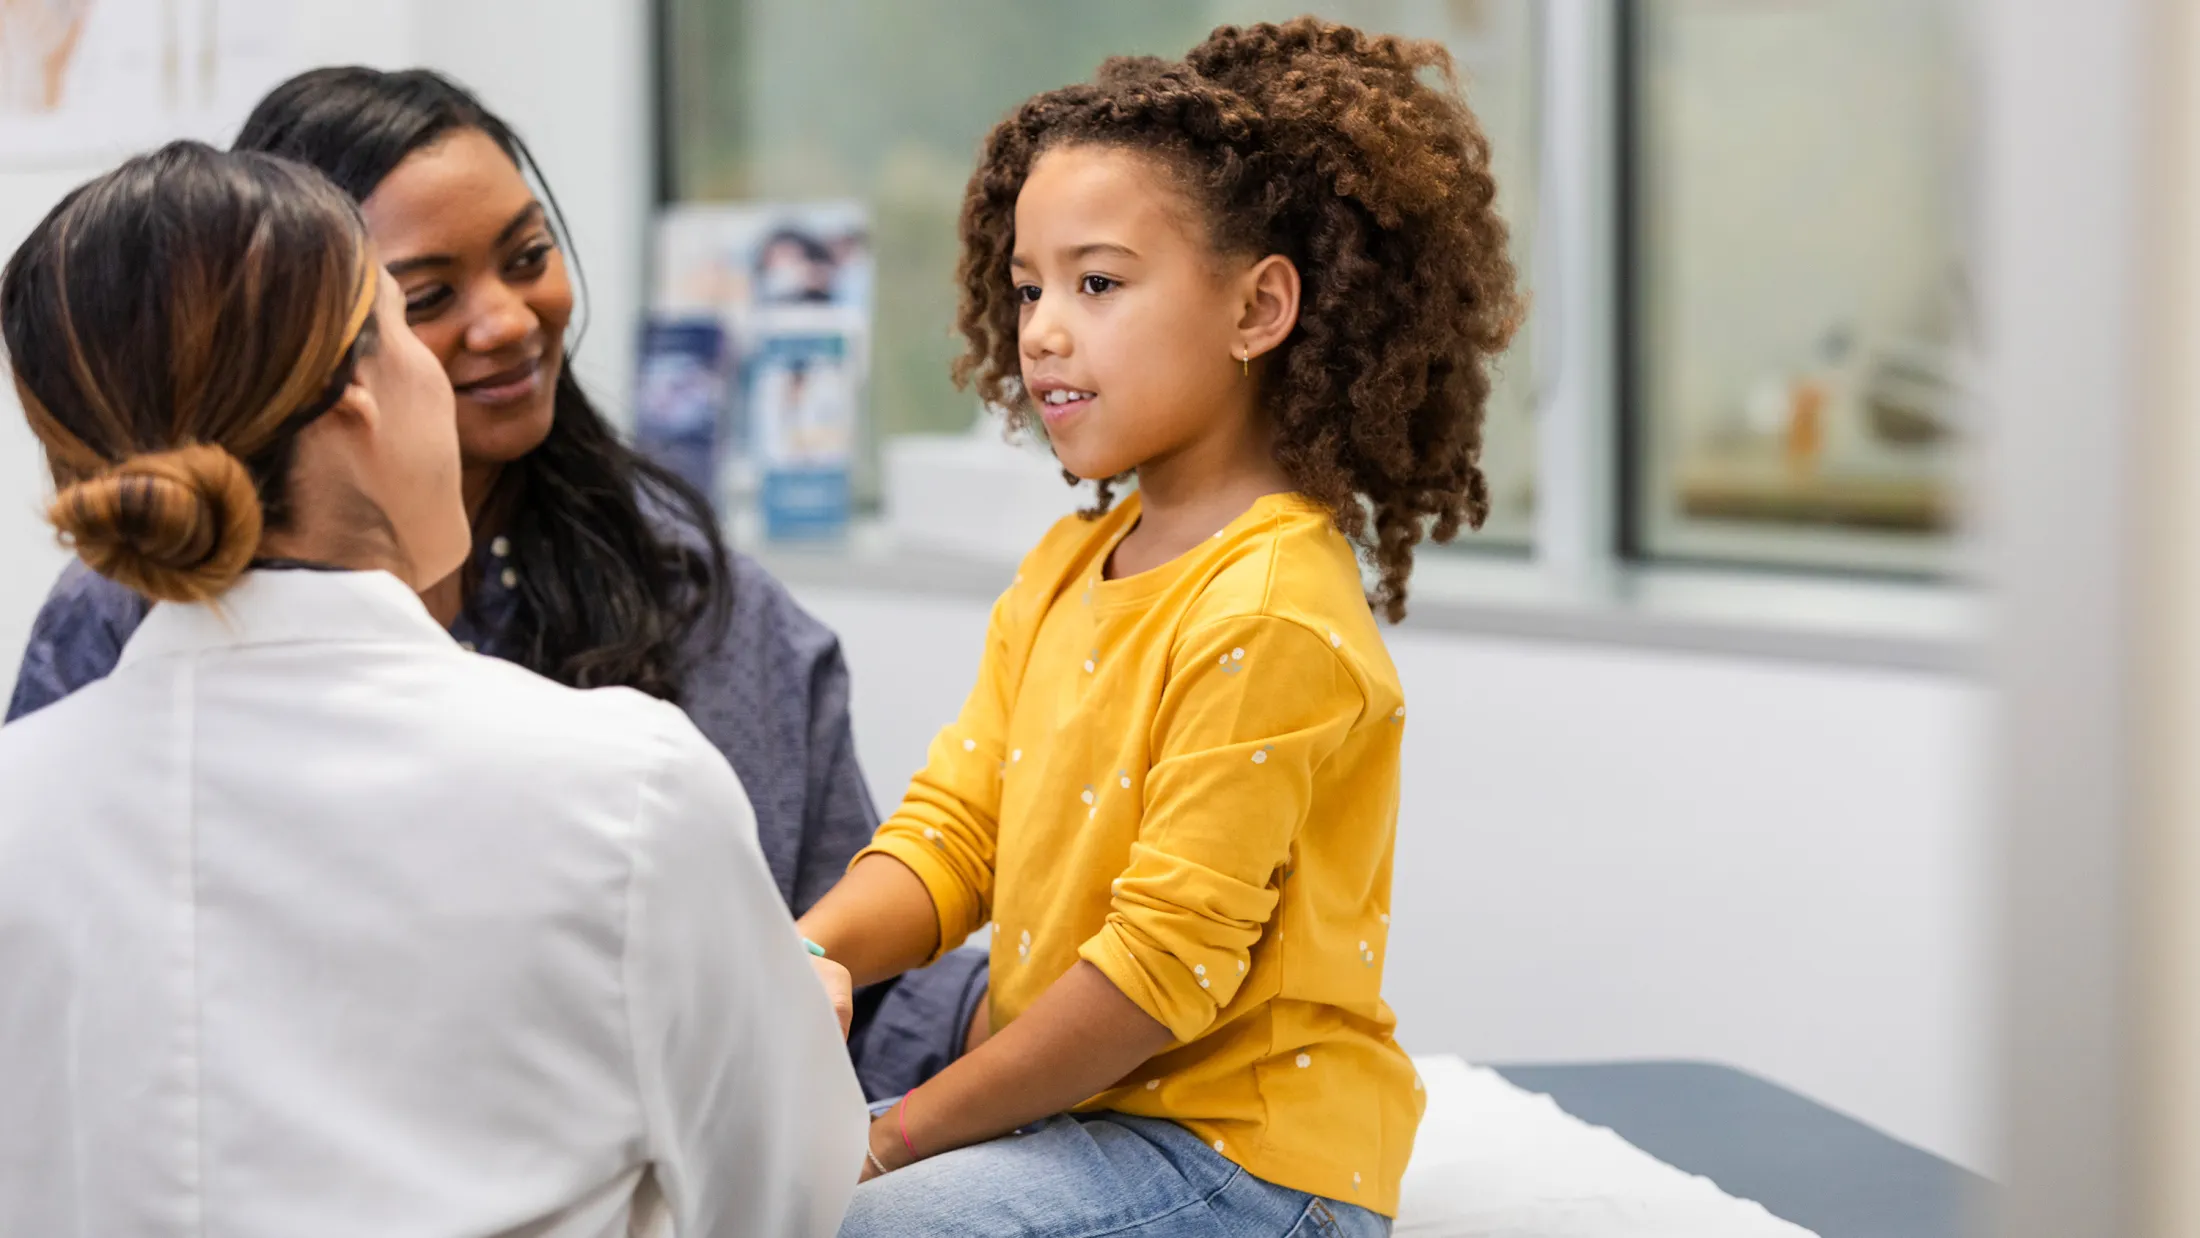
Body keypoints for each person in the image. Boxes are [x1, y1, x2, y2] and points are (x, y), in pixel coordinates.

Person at [0, 66, 988, 1099]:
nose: (509, 321)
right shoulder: (121, 634)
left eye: (529, 256)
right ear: (303, 357)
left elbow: (843, 999)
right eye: (422, 300)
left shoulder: (702, 603)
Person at [797, 19, 1521, 1236]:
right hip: (1088, 1123)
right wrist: (797, 958)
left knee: (869, 1225)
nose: (1039, 329)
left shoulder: (1273, 607)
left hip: (1252, 1164)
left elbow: (1150, 982)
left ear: (1260, 307)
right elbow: (956, 835)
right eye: (1027, 287)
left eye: (1097, 282)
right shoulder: (1069, 562)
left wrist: (893, 1134)